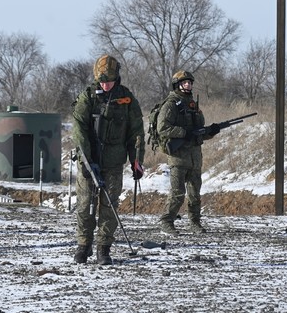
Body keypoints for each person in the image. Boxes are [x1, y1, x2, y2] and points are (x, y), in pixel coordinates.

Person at [72, 54, 145, 265]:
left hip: (114, 162)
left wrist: (136, 160)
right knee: (85, 205)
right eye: (102, 81)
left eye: (109, 81)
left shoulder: (127, 99)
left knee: (109, 206)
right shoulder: (87, 97)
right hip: (89, 161)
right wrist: (87, 160)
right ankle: (83, 245)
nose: (105, 85)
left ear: (117, 77)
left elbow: (136, 132)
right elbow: (79, 129)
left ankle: (103, 248)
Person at [156, 70, 219, 236]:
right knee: (177, 193)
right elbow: (162, 128)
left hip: (195, 158)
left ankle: (194, 222)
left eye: (190, 82)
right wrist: (184, 132)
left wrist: (211, 131)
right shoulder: (171, 105)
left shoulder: (193, 105)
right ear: (177, 85)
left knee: (194, 194)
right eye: (184, 82)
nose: (188, 85)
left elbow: (198, 133)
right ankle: (166, 222)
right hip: (178, 157)